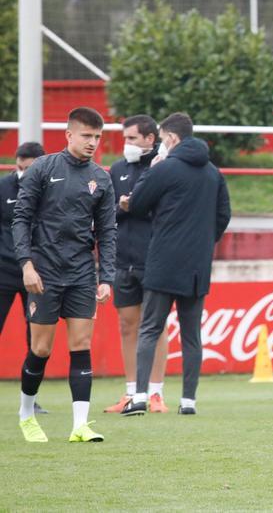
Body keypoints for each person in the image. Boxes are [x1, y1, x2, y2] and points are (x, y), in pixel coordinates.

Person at [13, 107, 117, 443]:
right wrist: (26, 265)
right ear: (69, 135)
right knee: (41, 349)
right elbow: (21, 220)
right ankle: (26, 413)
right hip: (43, 271)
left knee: (81, 344)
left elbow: (108, 231)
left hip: (82, 272)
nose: (92, 142)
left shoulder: (101, 178)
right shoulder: (43, 168)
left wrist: (106, 277)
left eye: (97, 137)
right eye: (87, 136)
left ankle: (80, 425)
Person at [121, 113, 231, 417]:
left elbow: (138, 203)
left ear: (170, 138)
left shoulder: (165, 168)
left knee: (150, 328)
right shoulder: (213, 172)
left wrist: (151, 171)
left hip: (163, 262)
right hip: (197, 265)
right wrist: (204, 242)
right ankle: (188, 402)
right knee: (192, 334)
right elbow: (223, 216)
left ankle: (140, 396)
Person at [103, 115, 170, 414]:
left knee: (155, 326)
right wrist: (123, 206)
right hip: (122, 261)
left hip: (155, 259)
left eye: (131, 138)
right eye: (124, 138)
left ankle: (155, 394)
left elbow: (167, 212)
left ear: (149, 139)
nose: (126, 144)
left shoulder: (164, 168)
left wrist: (139, 203)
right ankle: (132, 392)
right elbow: (107, 215)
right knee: (127, 325)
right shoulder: (117, 169)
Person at [0, 142, 48, 415]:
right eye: (21, 167)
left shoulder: (49, 190)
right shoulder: (3, 188)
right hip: (5, 271)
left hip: (37, 272)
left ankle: (30, 398)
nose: (24, 172)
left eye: (30, 168)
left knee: (37, 336)